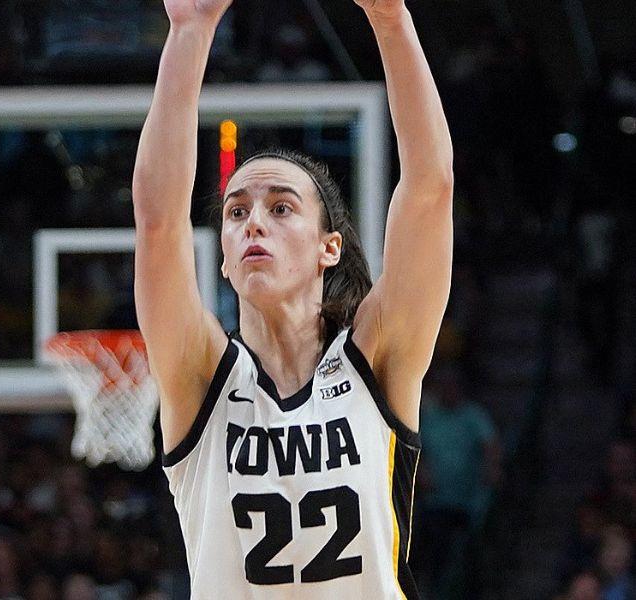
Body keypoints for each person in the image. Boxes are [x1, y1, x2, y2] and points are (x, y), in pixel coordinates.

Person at [133, 0, 451, 597]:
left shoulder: (375, 361)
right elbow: (157, 221)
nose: (253, 223)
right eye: (236, 212)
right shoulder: (200, 376)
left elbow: (431, 188)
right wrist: (190, 29)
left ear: (329, 248)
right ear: (222, 259)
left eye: (280, 208)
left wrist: (390, 17)